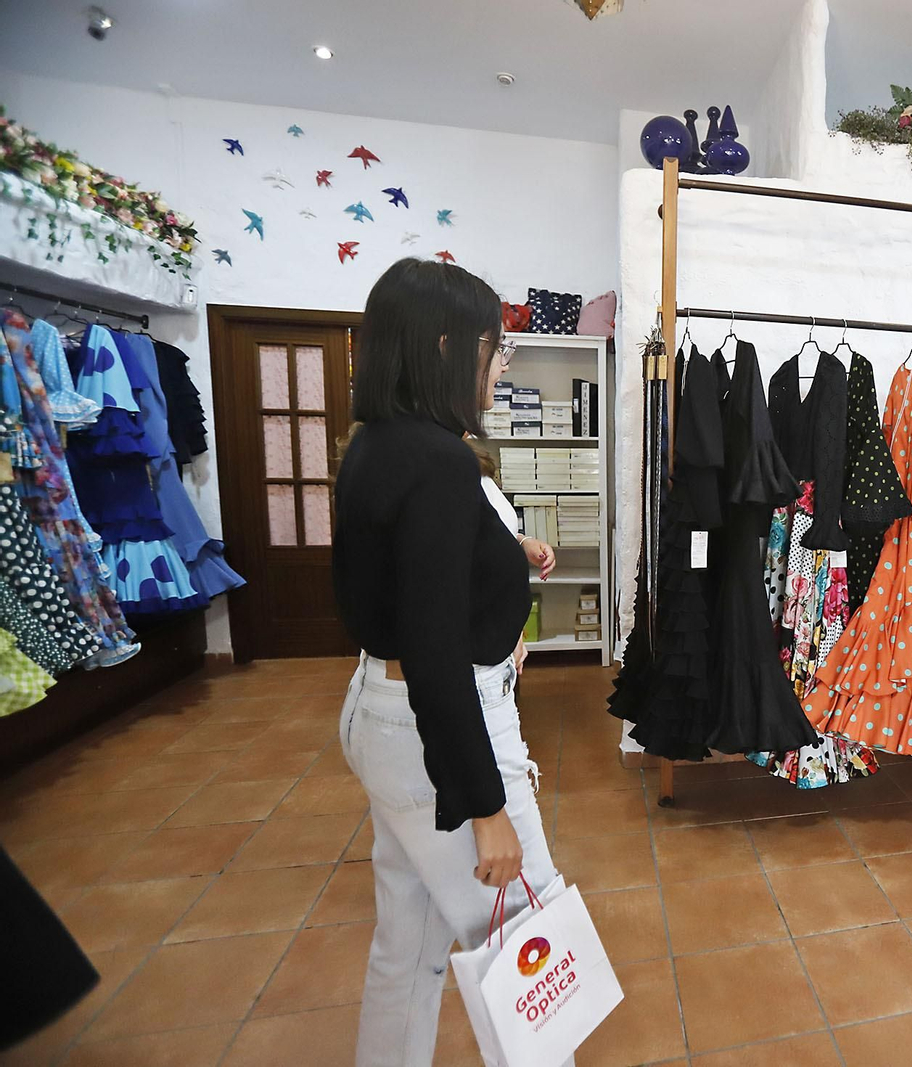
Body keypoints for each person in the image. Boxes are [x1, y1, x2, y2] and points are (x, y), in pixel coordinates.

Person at [332, 258, 564, 1065]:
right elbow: (433, 648)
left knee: (411, 943)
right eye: (493, 350)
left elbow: (408, 596)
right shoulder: (437, 461)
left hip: (389, 717)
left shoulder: (379, 446)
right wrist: (485, 806)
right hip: (443, 734)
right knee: (529, 946)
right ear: (444, 346)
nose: (500, 368)